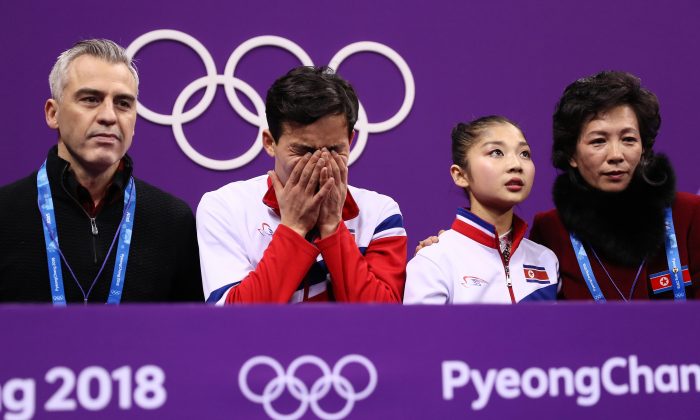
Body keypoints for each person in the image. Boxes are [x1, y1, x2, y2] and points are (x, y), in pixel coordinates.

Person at [0, 39, 203, 304]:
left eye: (123, 103)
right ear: (53, 113)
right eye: (90, 99)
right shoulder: (5, 212)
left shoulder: (173, 221)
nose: (108, 116)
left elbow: (190, 337)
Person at [197, 66, 407, 304]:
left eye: (334, 149)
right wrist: (294, 229)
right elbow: (232, 322)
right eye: (304, 151)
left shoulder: (380, 213)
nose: (320, 163)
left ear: (350, 141)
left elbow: (383, 320)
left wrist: (332, 227)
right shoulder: (224, 207)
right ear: (270, 142)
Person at [530, 71, 700, 301]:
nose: (616, 155)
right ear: (571, 154)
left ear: (644, 149)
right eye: (598, 141)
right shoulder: (550, 230)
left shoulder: (690, 214)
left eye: (628, 139)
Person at [404, 116, 559, 304]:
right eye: (496, 152)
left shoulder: (546, 261)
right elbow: (423, 333)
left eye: (524, 154)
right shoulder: (434, 260)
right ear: (461, 175)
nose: (516, 165)